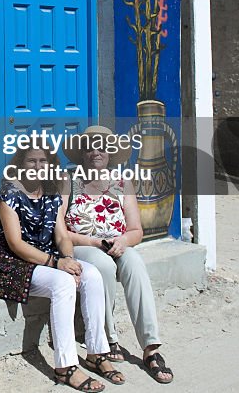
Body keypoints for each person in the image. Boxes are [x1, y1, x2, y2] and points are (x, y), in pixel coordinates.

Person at [0, 146, 123, 390]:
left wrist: (70, 259)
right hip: (13, 264)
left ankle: (96, 353)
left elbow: (61, 236)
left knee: (90, 274)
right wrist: (57, 263)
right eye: (32, 161)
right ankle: (65, 367)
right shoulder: (8, 195)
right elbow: (16, 244)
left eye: (43, 161)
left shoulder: (50, 193)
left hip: (46, 259)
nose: (38, 166)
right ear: (20, 164)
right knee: (63, 283)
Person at [61, 125, 174, 384]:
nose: (96, 152)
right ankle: (109, 339)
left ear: (110, 154)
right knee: (103, 265)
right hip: (84, 244)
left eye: (102, 147)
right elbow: (62, 230)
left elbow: (136, 230)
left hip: (117, 244)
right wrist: (91, 241)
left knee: (135, 263)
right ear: (82, 155)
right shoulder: (70, 181)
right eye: (90, 148)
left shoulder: (123, 183)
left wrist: (123, 241)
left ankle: (150, 347)